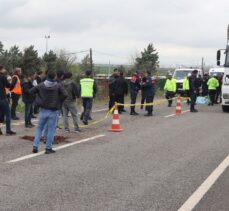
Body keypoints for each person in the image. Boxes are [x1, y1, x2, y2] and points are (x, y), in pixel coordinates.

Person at [30, 70, 68, 154]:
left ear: (47, 76)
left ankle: (35, 146)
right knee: (51, 129)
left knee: (39, 128)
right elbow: (65, 94)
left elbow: (31, 91)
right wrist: (59, 101)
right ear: (54, 77)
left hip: (43, 110)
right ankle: (48, 148)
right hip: (53, 111)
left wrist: (38, 99)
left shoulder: (41, 85)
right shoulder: (58, 86)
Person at [0, 65, 16, 135]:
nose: (4, 70)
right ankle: (8, 130)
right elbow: (9, 86)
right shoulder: (2, 77)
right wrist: (13, 83)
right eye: (3, 69)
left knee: (0, 114)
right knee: (8, 114)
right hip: (2, 98)